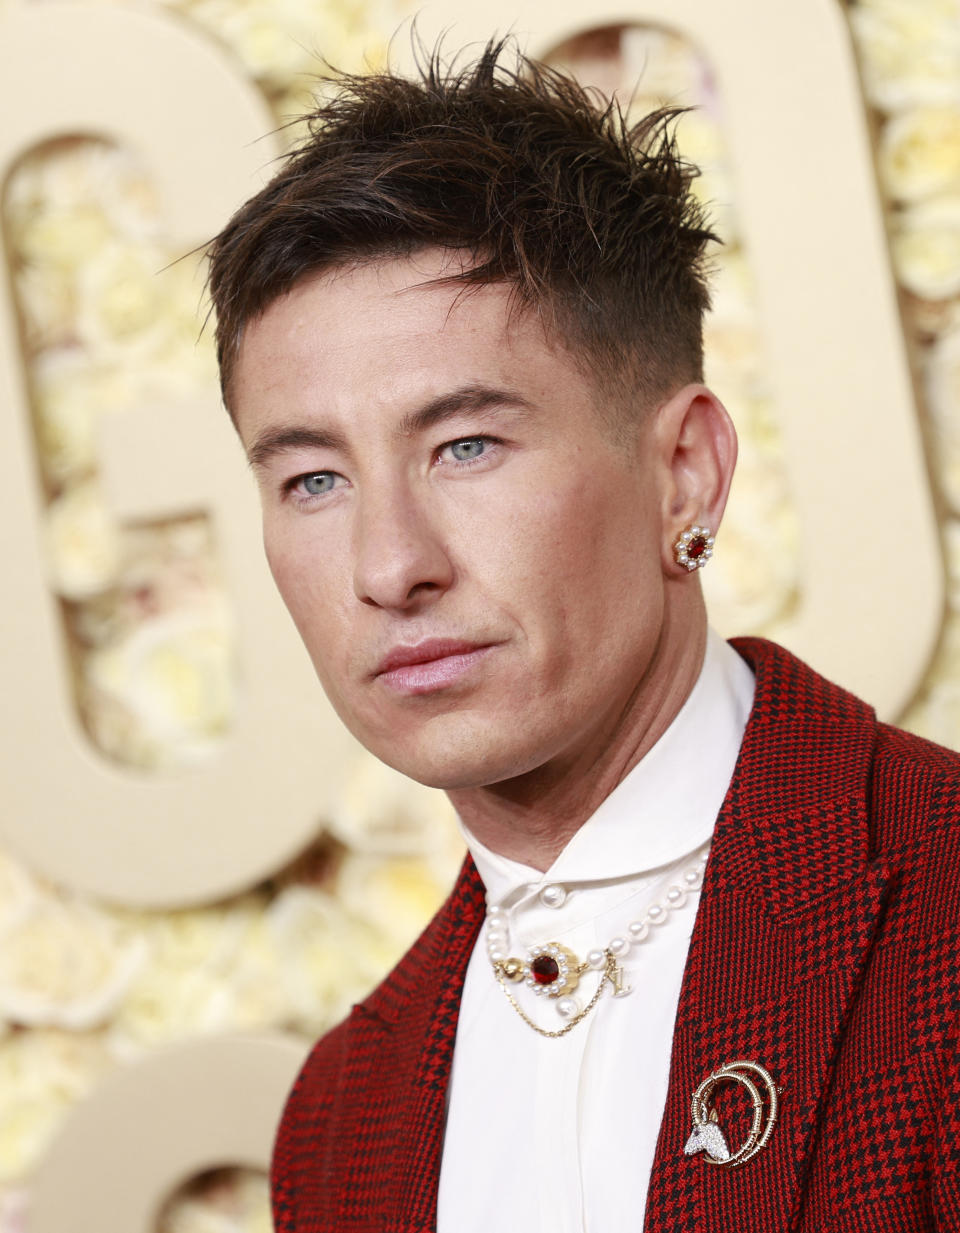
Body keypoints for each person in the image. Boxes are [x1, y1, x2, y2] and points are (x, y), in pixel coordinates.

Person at [205, 40, 960, 1233]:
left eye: (466, 446)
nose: (389, 565)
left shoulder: (940, 908)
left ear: (684, 476)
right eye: (311, 479)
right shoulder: (343, 1115)